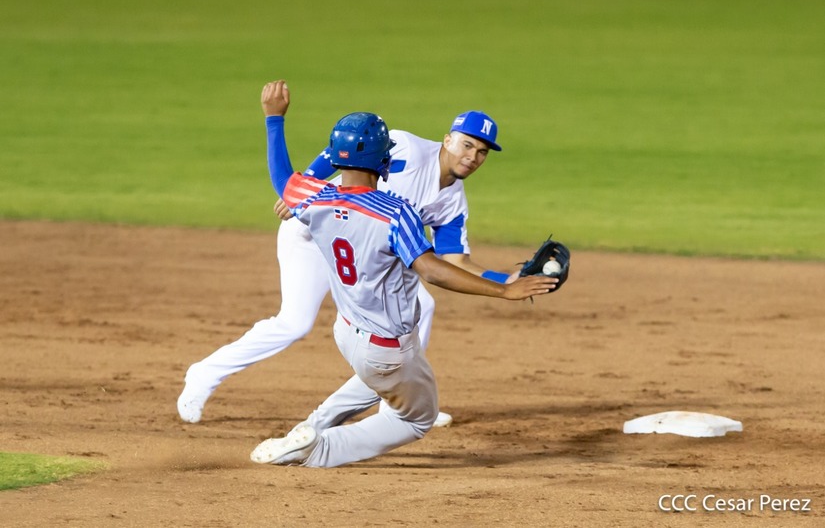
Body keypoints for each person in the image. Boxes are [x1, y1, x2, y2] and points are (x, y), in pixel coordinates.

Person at [248, 80, 555, 467]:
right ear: (385, 163)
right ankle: (316, 450)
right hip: (388, 345)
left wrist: (274, 119)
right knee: (415, 417)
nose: (474, 156)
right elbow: (433, 270)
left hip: (347, 329)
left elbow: (283, 178)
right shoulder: (396, 213)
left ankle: (311, 426)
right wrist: (503, 292)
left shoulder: (315, 198)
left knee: (379, 380)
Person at [178, 86, 522, 429]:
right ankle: (203, 375)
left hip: (366, 259)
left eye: (481, 152)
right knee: (294, 323)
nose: (472, 157)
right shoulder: (406, 147)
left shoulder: (452, 202)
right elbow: (343, 150)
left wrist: (506, 280)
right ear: (448, 140)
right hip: (313, 237)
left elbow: (454, 260)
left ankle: (396, 404)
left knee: (424, 306)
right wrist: (304, 186)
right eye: (467, 144)